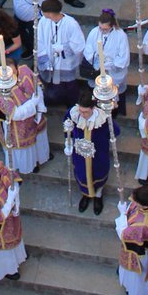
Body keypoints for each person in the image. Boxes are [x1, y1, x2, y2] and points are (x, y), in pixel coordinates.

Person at [0, 59, 49, 174]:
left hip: (36, 117)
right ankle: (28, 167)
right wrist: (33, 103)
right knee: (24, 150)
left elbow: (37, 86)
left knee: (39, 139)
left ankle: (40, 158)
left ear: (17, 68)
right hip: (17, 127)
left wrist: (39, 105)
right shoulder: (0, 93)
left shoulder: (24, 70)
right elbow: (16, 114)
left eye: (13, 72)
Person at [63, 87, 114, 215]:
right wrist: (68, 142)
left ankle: (98, 196)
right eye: (80, 111)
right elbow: (67, 127)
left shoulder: (102, 118)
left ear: (93, 108)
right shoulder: (73, 113)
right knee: (82, 174)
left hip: (98, 154)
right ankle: (85, 195)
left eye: (85, 112)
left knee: (98, 173)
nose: (82, 114)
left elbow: (114, 132)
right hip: (80, 153)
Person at [36, 0, 86, 106]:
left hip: (66, 61)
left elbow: (79, 45)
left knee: (69, 84)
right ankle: (56, 101)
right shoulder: (43, 21)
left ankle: (72, 104)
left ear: (49, 13)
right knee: (52, 82)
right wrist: (44, 56)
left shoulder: (71, 24)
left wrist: (63, 48)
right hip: (50, 59)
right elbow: (39, 40)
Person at [83, 10, 130, 114]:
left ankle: (115, 114)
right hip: (97, 69)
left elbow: (123, 56)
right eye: (100, 28)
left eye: (105, 29)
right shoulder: (94, 32)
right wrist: (96, 59)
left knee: (113, 95)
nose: (102, 30)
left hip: (113, 72)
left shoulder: (120, 35)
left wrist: (110, 64)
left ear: (112, 26)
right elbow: (88, 49)